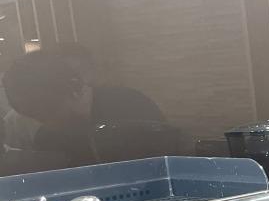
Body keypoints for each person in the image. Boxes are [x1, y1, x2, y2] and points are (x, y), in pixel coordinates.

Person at [2, 44, 166, 173]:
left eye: (47, 112)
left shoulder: (129, 106)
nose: (48, 123)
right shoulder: (49, 138)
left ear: (73, 88)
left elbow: (162, 169)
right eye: (36, 117)